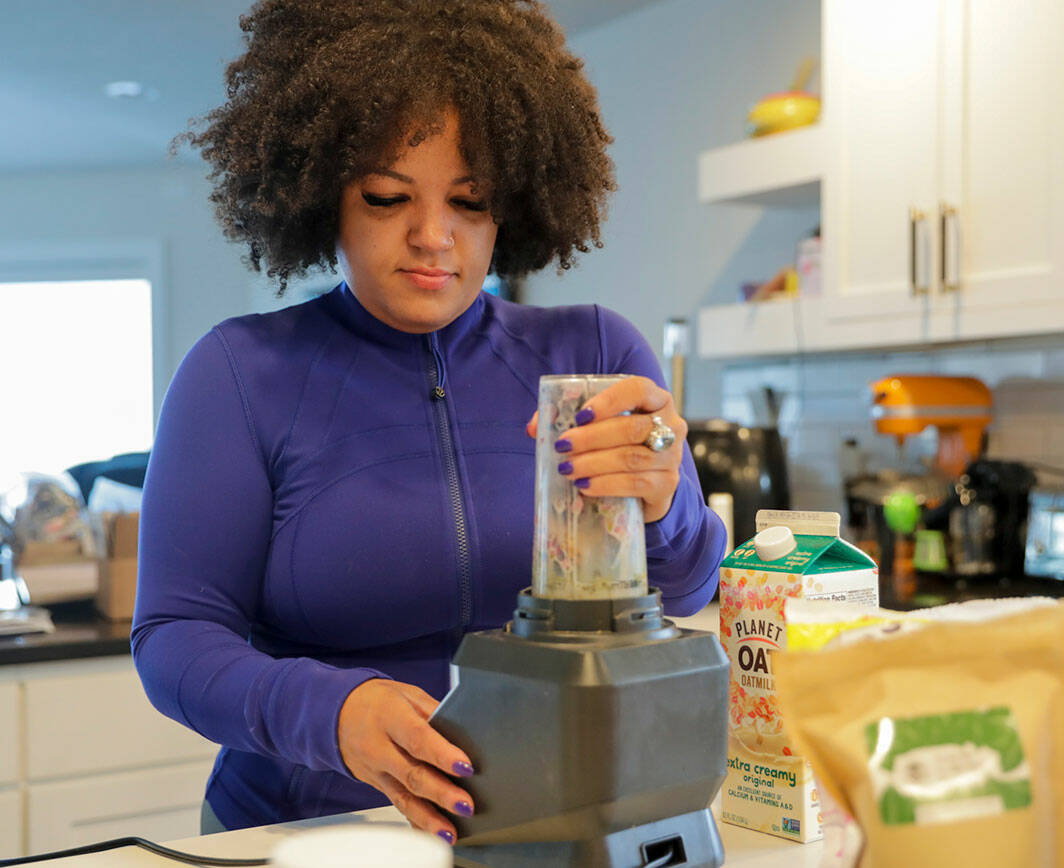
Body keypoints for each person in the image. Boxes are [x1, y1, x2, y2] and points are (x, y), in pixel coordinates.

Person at [131, 0, 725, 846]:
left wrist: (667, 506)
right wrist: (330, 713)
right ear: (320, 193)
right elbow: (174, 639)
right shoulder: (239, 374)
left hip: (555, 828)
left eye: (471, 201)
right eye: (386, 196)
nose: (432, 237)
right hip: (314, 833)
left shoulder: (595, 352)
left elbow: (689, 590)